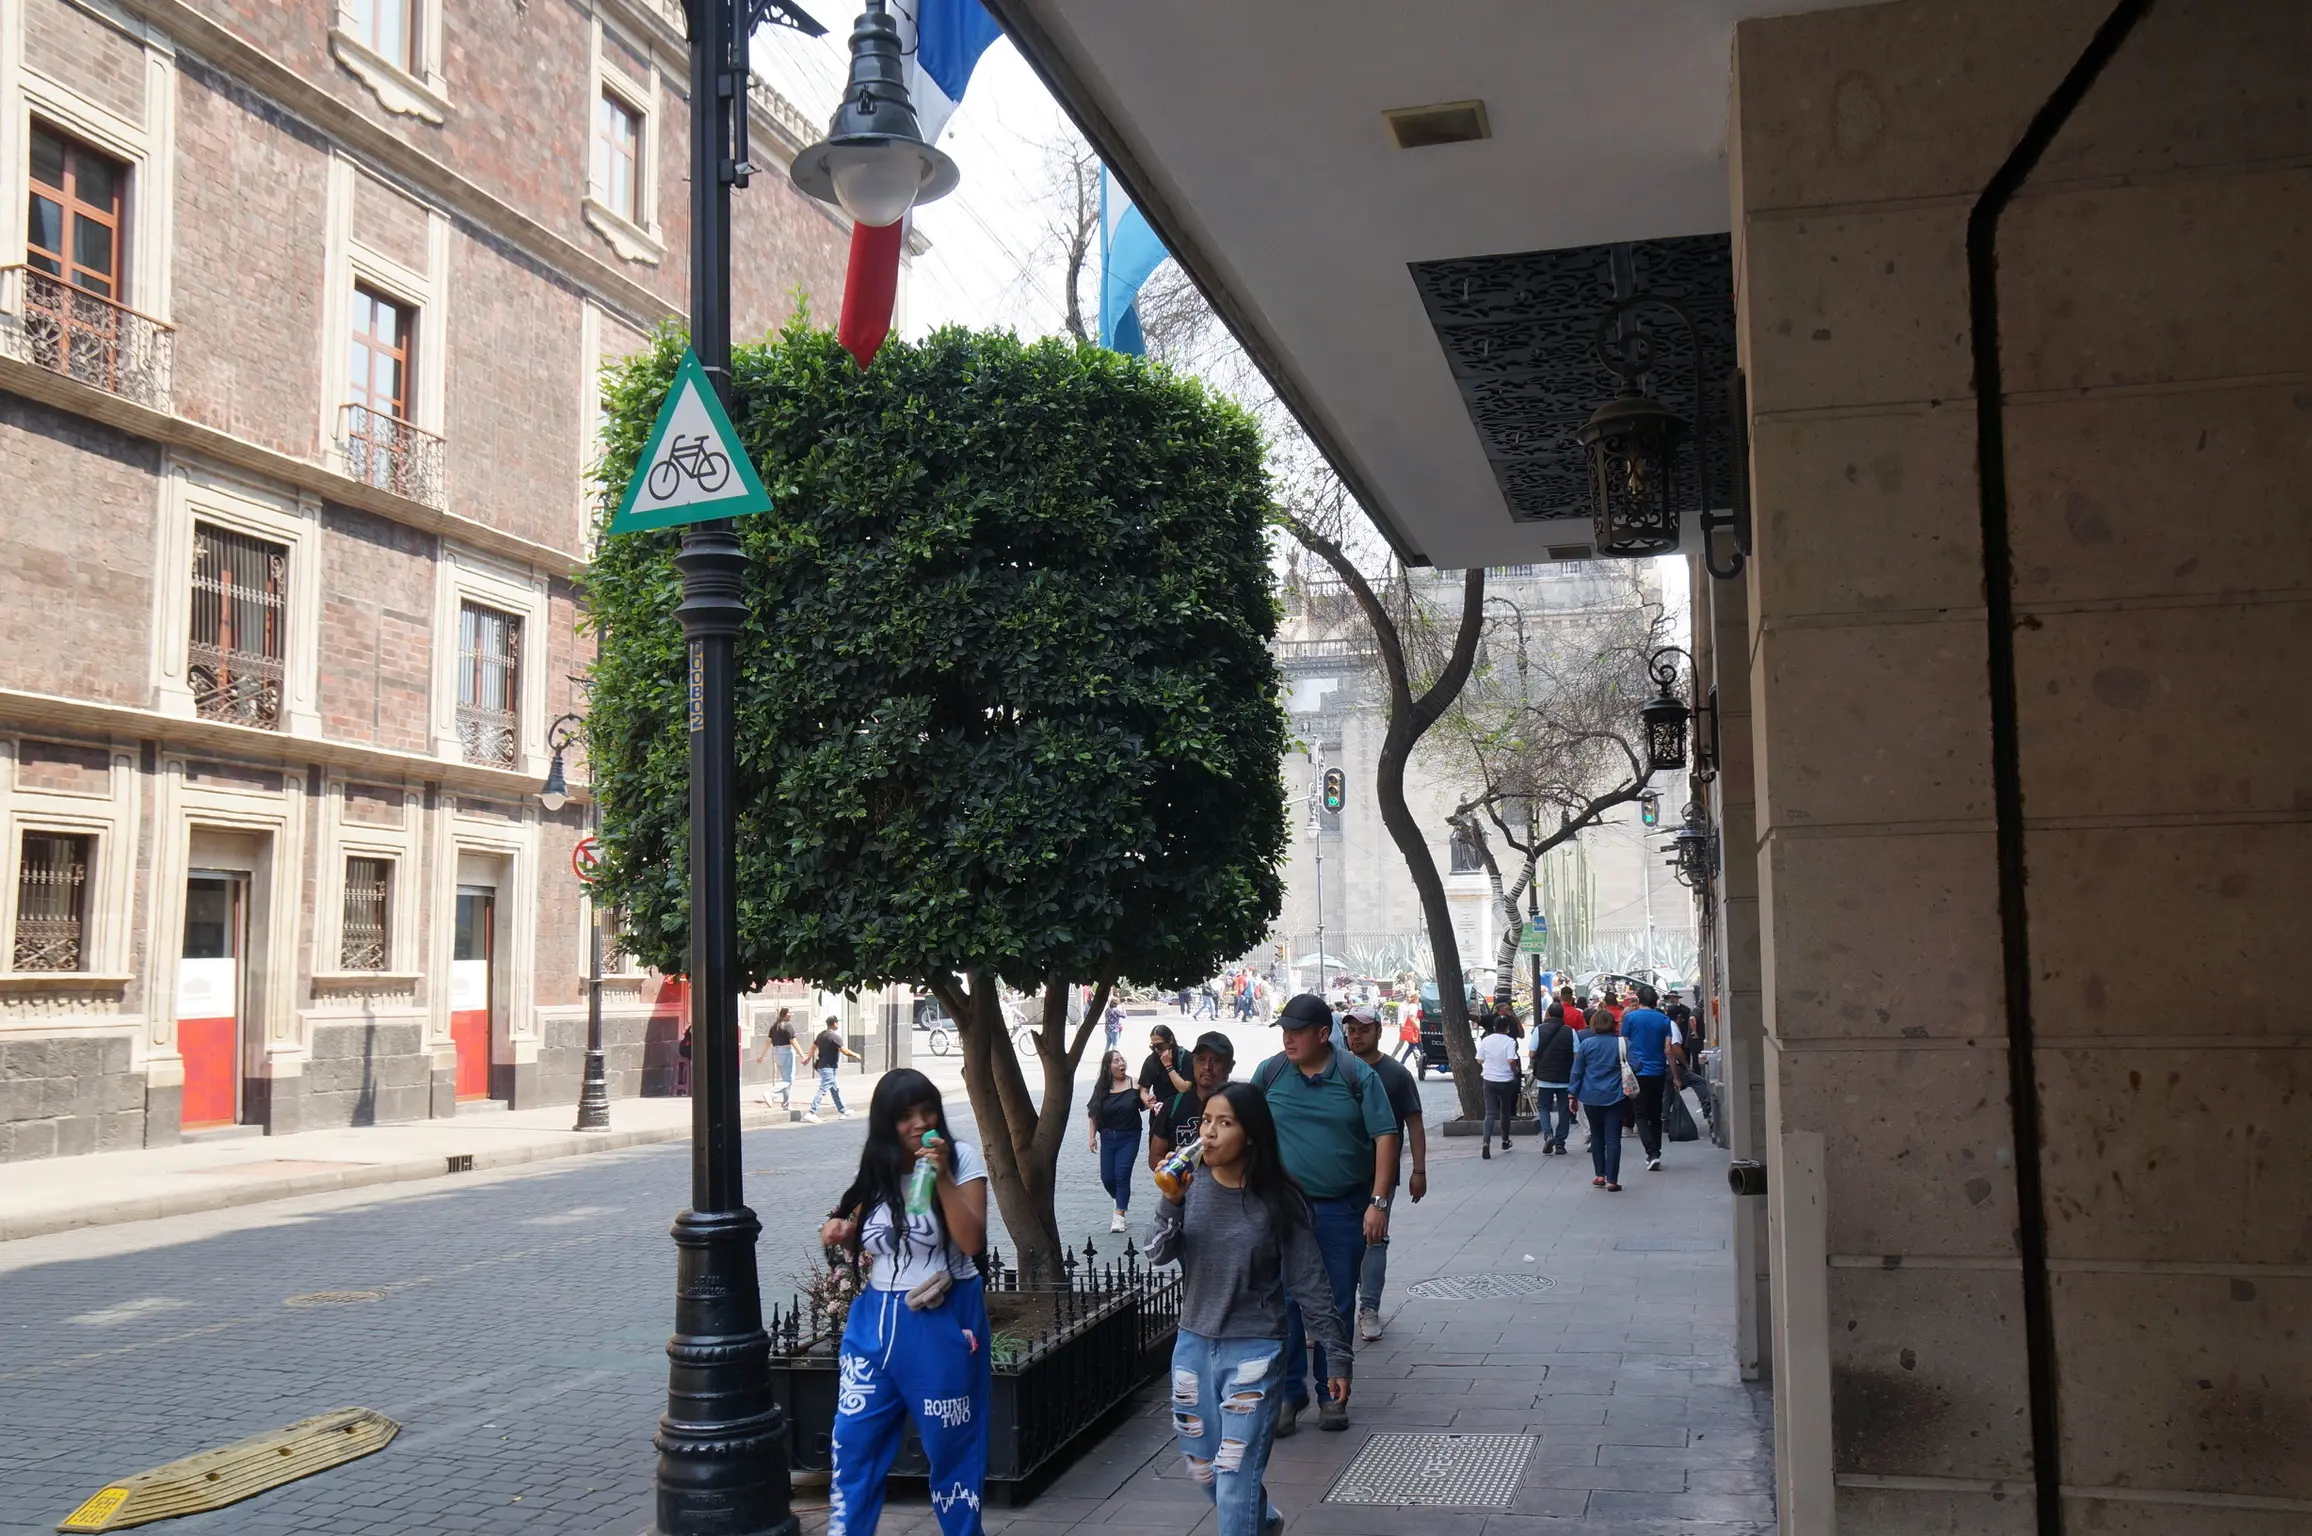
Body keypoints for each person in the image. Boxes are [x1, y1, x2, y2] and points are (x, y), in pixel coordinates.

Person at [1146, 1083, 1350, 1536]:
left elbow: (1309, 1281)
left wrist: (1337, 1355)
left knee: (1235, 1477)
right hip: (1193, 1346)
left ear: (1252, 1135)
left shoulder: (1278, 1200)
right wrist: (1171, 1200)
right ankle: (1266, 1520)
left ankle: (1248, 1519)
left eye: (1225, 1122)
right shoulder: (1189, 1189)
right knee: (1204, 1469)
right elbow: (1156, 1253)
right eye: (1206, 1122)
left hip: (1255, 1351)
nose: (1210, 1133)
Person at [818, 1070, 991, 1536]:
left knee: (951, 1449)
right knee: (853, 1442)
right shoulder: (878, 1168)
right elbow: (862, 1237)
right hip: (873, 1321)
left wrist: (943, 1176)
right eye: (905, 1116)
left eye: (927, 1111)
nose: (919, 1123)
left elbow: (972, 1241)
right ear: (885, 1123)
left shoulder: (963, 1159)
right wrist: (840, 1234)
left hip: (939, 1318)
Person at [1254, 993, 1398, 1434]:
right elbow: (1246, 1125)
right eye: (1284, 1031)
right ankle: (1290, 1394)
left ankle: (1332, 1394)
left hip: (1343, 1207)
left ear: (1322, 1034)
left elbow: (1386, 1137)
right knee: (1285, 1301)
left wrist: (1379, 1203)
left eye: (1297, 1032)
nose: (1288, 1039)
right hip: (1285, 1210)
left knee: (1334, 1302)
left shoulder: (1357, 1075)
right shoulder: (1272, 1071)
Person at [1342, 1006, 1425, 1342]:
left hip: (1381, 1175)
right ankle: (1332, 1311)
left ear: (1378, 1031)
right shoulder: (1338, 1070)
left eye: (1363, 1029)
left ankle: (1369, 1308)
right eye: (1351, 1030)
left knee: (1374, 1240)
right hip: (1339, 1172)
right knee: (1336, 1240)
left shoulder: (1395, 1074)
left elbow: (1415, 1124)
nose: (1356, 1036)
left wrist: (1419, 1170)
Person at [1619, 984, 1684, 1172]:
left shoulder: (1630, 1018)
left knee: (1640, 1113)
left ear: (1639, 1000)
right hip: (1657, 1072)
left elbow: (1624, 1044)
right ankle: (1657, 1151)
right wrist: (1675, 1075)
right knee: (1655, 1114)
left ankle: (1652, 1152)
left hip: (1636, 1071)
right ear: (1655, 1001)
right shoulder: (1664, 1020)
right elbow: (1668, 1050)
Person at [1151, 1031, 1235, 1167]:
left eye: (1216, 1060)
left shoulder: (1239, 1107)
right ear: (1193, 1062)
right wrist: (1169, 1169)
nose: (1207, 1067)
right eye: (1201, 1059)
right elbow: (1156, 1155)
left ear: (1230, 1066)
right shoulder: (1173, 1105)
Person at [1570, 1007, 1629, 1191]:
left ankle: (1599, 1175)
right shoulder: (1622, 1044)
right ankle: (1612, 1179)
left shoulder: (1587, 1044)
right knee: (1613, 1138)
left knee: (1597, 1136)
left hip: (1590, 1095)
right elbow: (1636, 1064)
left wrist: (1572, 1094)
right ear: (1613, 1024)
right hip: (1616, 1095)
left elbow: (1577, 1071)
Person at [1087, 1049, 1144, 1233]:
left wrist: (1150, 1100)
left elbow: (1144, 1102)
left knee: (1122, 1174)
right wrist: (1091, 1137)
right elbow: (1093, 1113)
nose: (1121, 1063)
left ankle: (1119, 1216)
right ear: (1108, 1067)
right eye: (1116, 1061)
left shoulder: (1133, 1083)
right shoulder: (1101, 1088)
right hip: (1108, 1137)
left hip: (1130, 1136)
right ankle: (1119, 1198)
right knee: (1107, 1178)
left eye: (1122, 1059)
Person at [1528, 1000, 1576, 1155]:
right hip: (1564, 1078)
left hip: (1545, 1078)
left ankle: (1548, 1135)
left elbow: (1532, 1053)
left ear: (1547, 1014)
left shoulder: (1539, 1030)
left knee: (1543, 1107)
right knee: (1563, 1110)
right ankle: (1560, 1143)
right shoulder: (1570, 1031)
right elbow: (1577, 1055)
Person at [1476, 1013, 1521, 1158]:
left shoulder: (1486, 1040)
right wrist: (1516, 1072)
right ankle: (1505, 1140)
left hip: (1489, 1079)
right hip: (1505, 1080)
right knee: (1505, 1112)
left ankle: (1486, 1142)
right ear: (1507, 1028)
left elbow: (1479, 1060)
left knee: (1490, 1113)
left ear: (1494, 1027)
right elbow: (1511, 1061)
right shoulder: (1510, 1041)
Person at [804, 1013, 860, 1122]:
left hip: (822, 1066)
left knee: (834, 1089)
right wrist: (856, 1055)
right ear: (835, 1024)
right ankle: (811, 1112)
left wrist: (808, 1057)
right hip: (828, 1067)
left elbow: (813, 1046)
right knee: (823, 1088)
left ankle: (843, 1110)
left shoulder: (821, 1035)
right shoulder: (835, 1037)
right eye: (837, 1022)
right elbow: (845, 1051)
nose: (838, 1024)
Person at [755, 1006, 797, 1109]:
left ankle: (786, 1104)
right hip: (787, 1052)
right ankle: (771, 1093)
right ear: (786, 1014)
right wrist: (804, 1055)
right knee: (788, 1081)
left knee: (785, 1079)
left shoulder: (774, 1026)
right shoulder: (788, 1026)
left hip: (777, 1053)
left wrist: (761, 1055)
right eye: (791, 1013)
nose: (792, 1015)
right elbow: (794, 1042)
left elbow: (768, 1041)